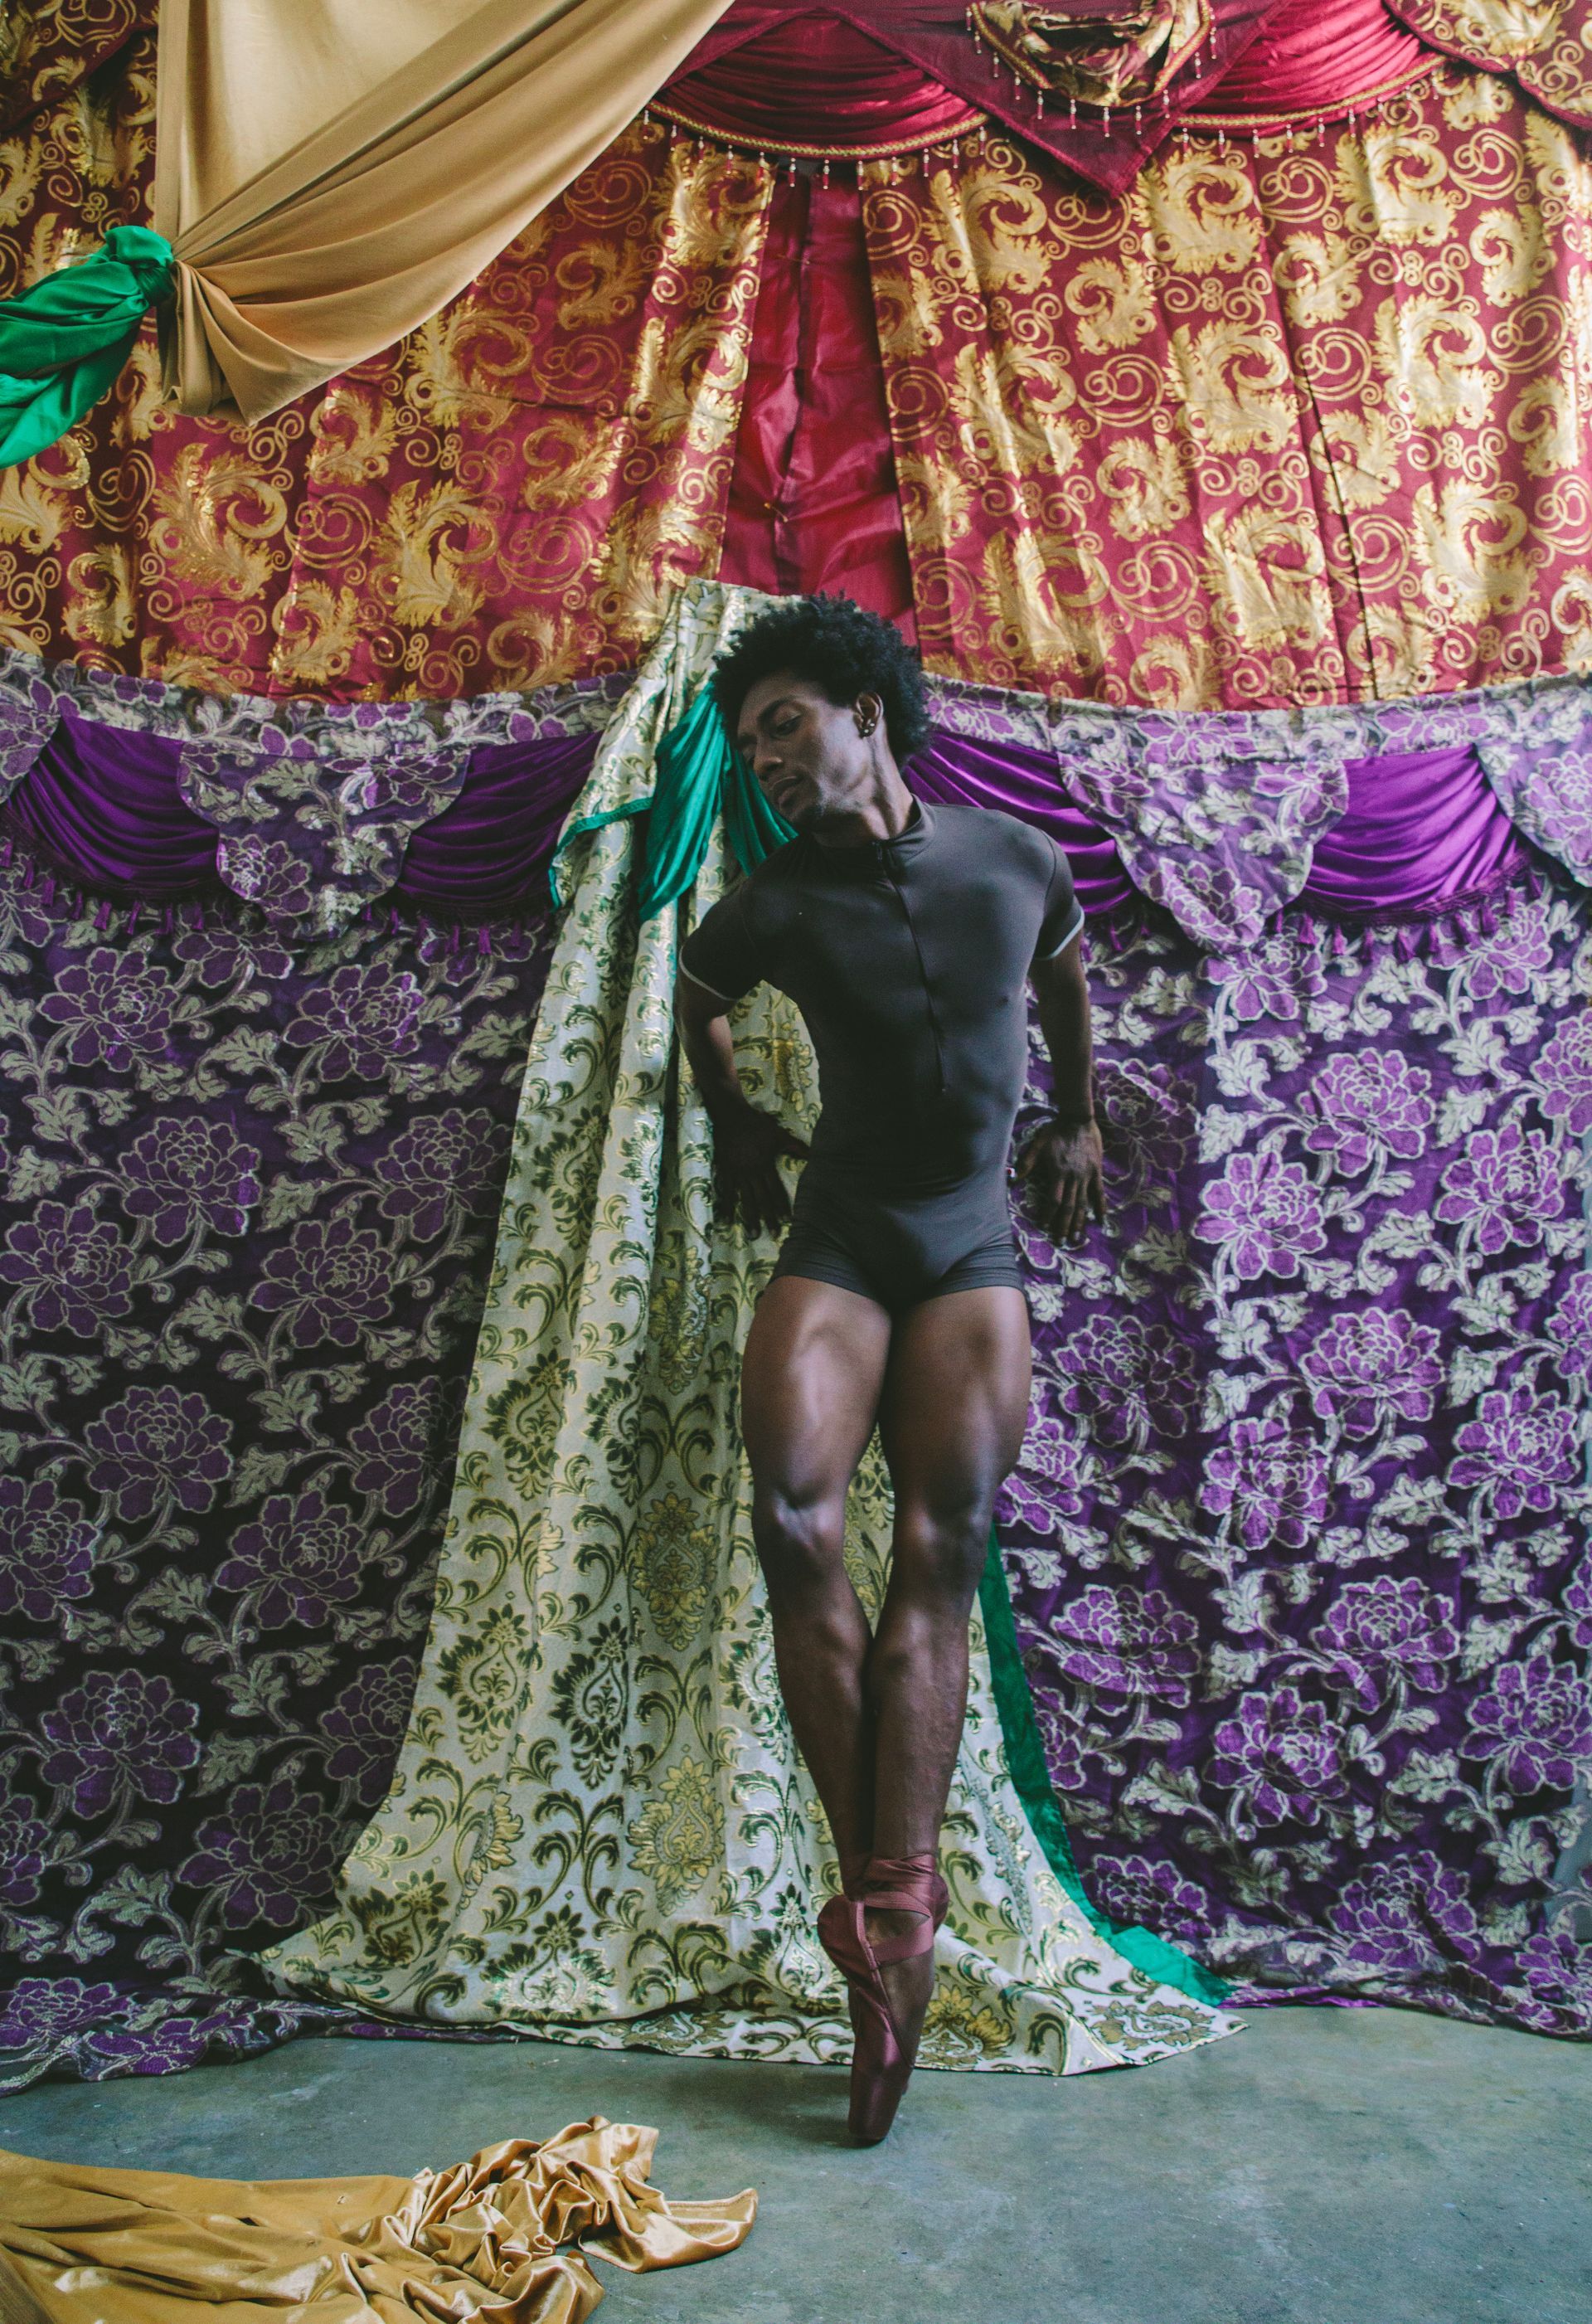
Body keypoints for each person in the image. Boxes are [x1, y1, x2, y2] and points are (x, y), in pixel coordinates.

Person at [674, 596, 1104, 2143]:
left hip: (973, 1247)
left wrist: (1083, 1118)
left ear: (865, 704)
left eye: (785, 724)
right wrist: (732, 1118)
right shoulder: (775, 898)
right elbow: (699, 998)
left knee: (939, 1542)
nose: (771, 763)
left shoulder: (1014, 857)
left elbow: (1060, 983)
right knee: (794, 1520)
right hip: (843, 1236)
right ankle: (886, 1898)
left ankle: (892, 1921)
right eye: (749, 750)